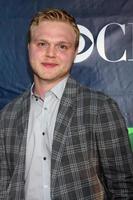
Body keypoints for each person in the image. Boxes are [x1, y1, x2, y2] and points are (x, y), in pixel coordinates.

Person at [0, 8, 133, 200]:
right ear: (29, 47)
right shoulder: (8, 115)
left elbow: (124, 187)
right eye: (42, 43)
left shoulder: (100, 108)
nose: (50, 53)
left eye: (62, 46)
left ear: (74, 52)